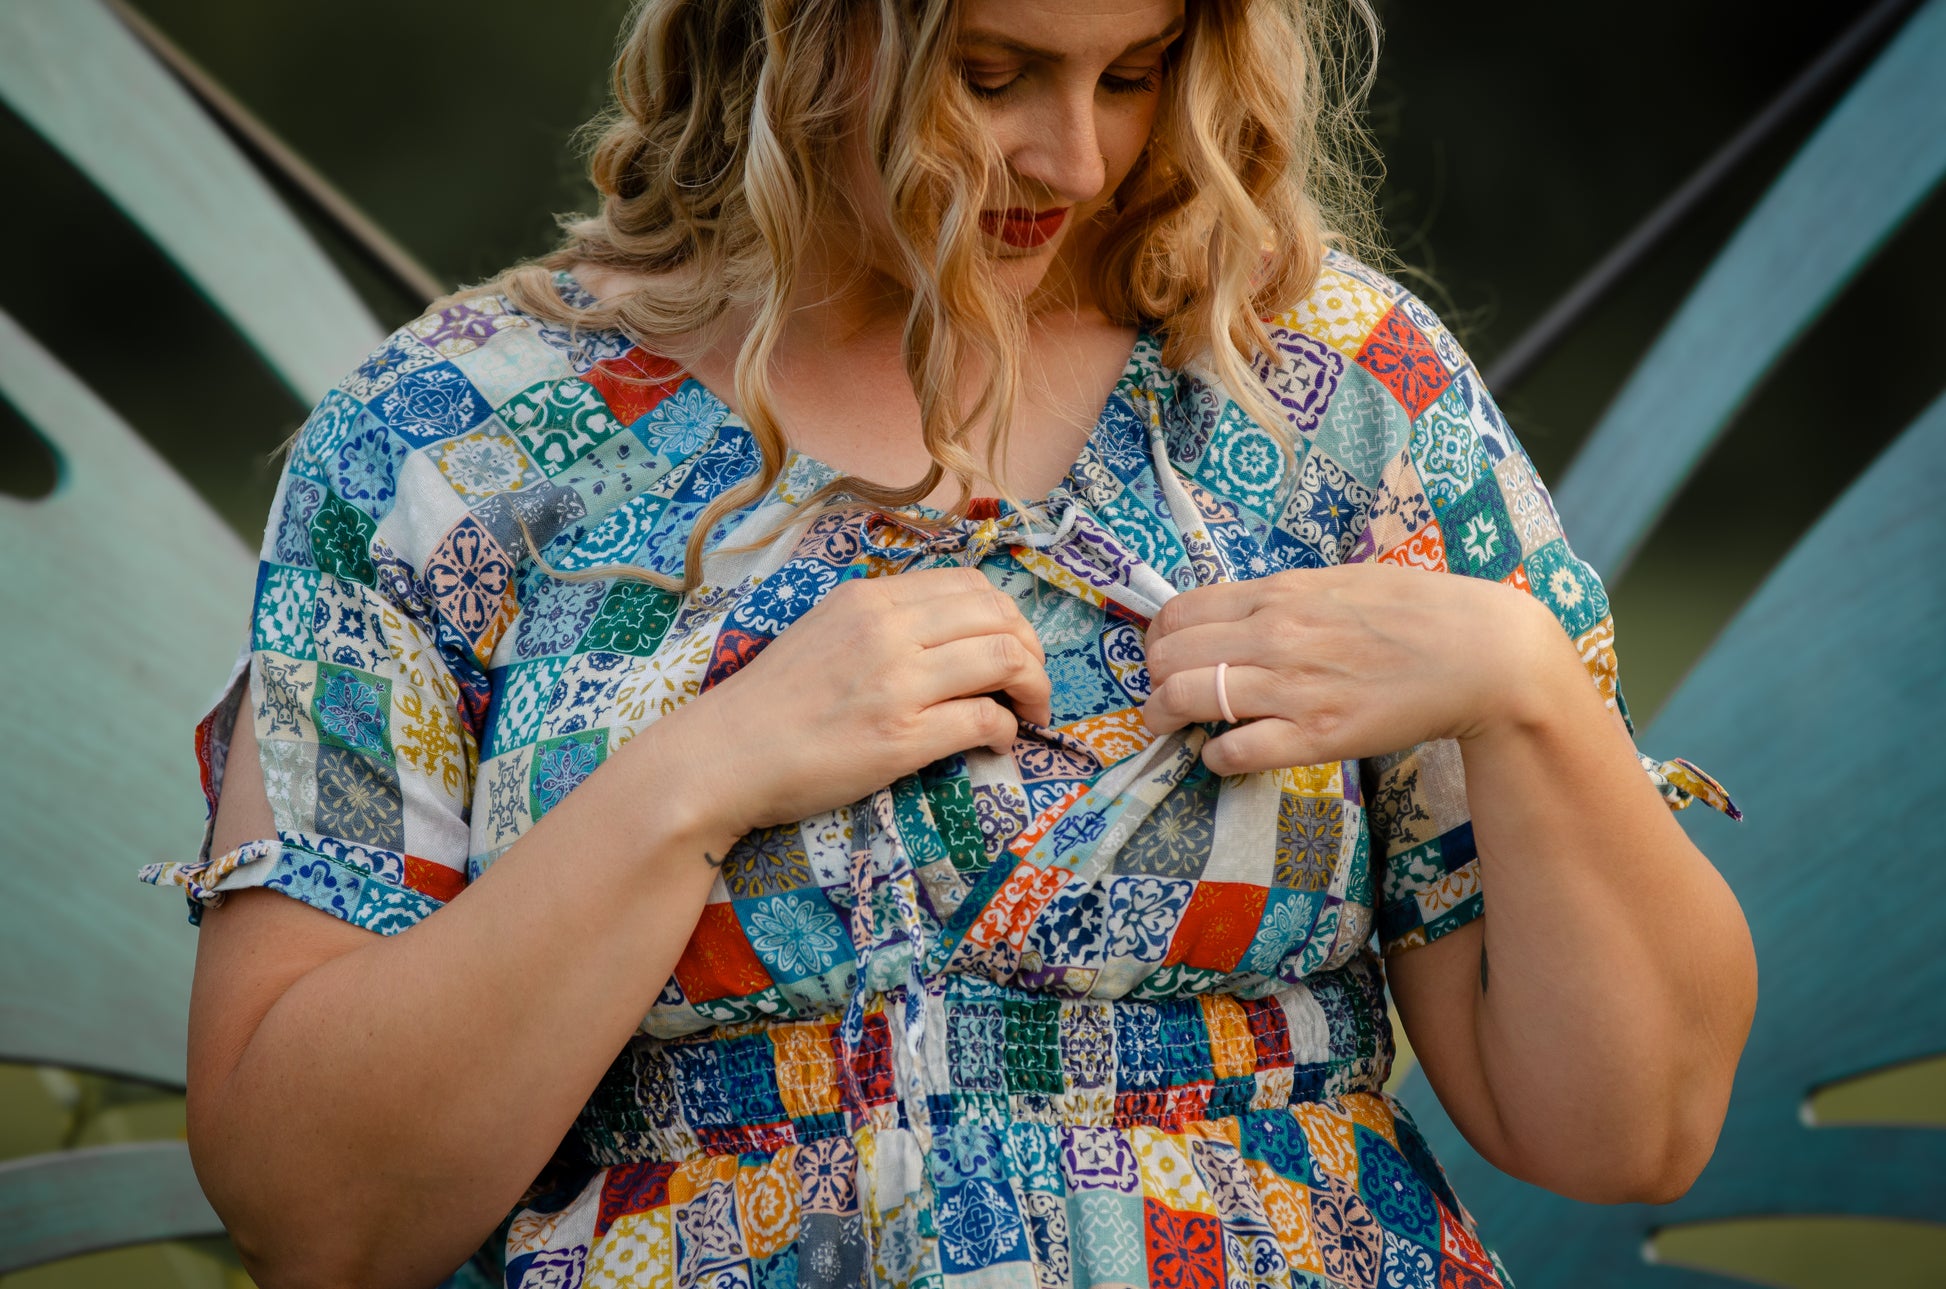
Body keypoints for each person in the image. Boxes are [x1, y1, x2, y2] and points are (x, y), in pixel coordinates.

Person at [141, 0, 1758, 1285]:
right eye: (992, 74)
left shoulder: (1339, 395)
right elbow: (316, 1217)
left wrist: (1530, 694)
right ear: (798, 31)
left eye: (1133, 73)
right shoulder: (452, 443)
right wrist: (699, 776)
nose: (1072, 156)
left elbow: (1634, 1125)